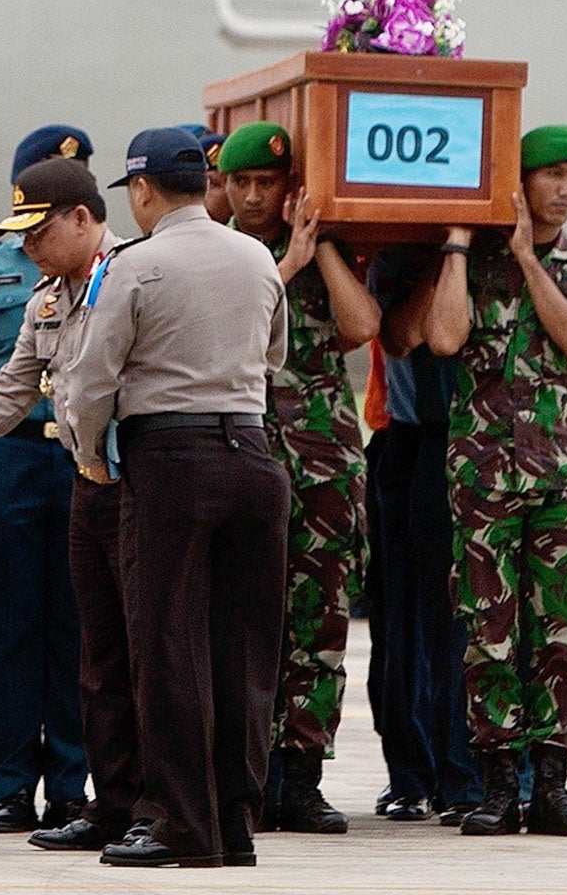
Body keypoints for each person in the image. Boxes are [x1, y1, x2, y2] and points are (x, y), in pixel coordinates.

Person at [65, 128, 291, 870]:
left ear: (141, 190)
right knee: (244, 650)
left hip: (169, 461)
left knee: (165, 645)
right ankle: (236, 823)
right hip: (252, 455)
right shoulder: (257, 256)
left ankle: (178, 824)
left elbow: (93, 379)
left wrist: (91, 454)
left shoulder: (136, 264)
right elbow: (275, 355)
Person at [394, 123, 567, 838]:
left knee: (558, 636)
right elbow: (445, 338)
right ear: (518, 183)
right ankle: (495, 787)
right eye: (553, 177)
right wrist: (460, 246)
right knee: (489, 634)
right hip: (483, 481)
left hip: (556, 481)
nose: (566, 192)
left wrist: (528, 256)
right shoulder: (474, 266)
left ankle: (551, 786)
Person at [0, 154, 134, 850]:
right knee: (29, 632)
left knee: (105, 643)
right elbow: (8, 386)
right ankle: (30, 788)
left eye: (37, 231)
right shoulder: (48, 295)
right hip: (54, 471)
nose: (27, 246)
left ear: (79, 217)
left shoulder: (136, 274)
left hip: (130, 478)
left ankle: (96, 787)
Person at [217, 122, 379, 834]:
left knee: (320, 622)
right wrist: (284, 262)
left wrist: (323, 248)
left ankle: (302, 777)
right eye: (242, 183)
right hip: (245, 459)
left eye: (268, 184)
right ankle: (243, 775)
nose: (254, 196)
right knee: (246, 622)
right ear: (223, 186)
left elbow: (362, 325)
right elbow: (221, 330)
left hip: (324, 466)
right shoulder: (219, 257)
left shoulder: (318, 254)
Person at [365, 248, 482, 825]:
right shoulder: (400, 260)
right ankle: (415, 774)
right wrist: (449, 252)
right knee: (409, 623)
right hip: (416, 444)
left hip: (485, 447)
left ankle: (470, 773)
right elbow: (416, 334)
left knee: (473, 620)